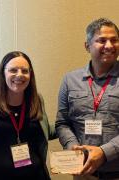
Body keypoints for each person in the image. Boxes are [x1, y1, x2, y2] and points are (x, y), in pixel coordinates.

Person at [0, 51, 56, 180]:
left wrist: (70, 123)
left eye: (25, 71)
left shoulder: (36, 99)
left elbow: (45, 131)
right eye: (13, 70)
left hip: (35, 175)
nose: (19, 75)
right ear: (3, 72)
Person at [55, 18, 119, 180]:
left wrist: (104, 152)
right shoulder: (70, 80)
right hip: (82, 174)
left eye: (114, 40)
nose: (109, 46)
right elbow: (62, 123)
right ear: (87, 46)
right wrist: (72, 146)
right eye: (102, 40)